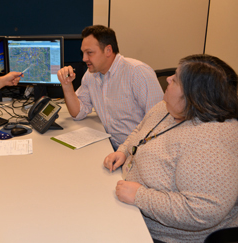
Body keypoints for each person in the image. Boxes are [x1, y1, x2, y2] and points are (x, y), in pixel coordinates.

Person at [103, 54, 238, 243]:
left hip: (163, 236)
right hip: (129, 207)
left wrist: (140, 197)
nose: (167, 79)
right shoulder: (167, 107)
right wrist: (124, 151)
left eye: (175, 79)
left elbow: (202, 211)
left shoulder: (213, 141)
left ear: (195, 94)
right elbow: (141, 130)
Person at [57, 25, 164, 150]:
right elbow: (78, 113)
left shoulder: (137, 72)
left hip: (137, 149)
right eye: (83, 53)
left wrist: (125, 152)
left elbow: (159, 122)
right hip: (109, 146)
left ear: (108, 50)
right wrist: (66, 84)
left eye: (89, 53)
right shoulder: (91, 76)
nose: (84, 58)